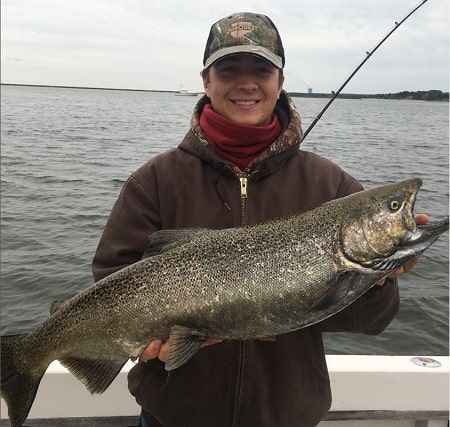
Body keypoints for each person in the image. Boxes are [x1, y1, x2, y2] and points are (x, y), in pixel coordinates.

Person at [92, 12, 426, 427]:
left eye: (262, 70)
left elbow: (371, 321)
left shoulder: (333, 185)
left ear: (280, 83)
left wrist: (378, 278)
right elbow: (110, 281)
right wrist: (145, 334)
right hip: (173, 417)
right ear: (206, 81)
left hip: (285, 416)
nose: (246, 83)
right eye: (229, 69)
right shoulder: (154, 182)